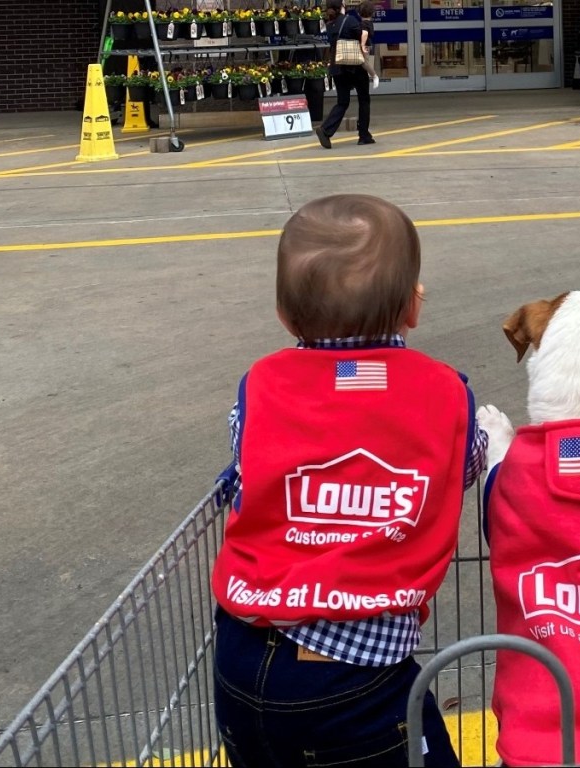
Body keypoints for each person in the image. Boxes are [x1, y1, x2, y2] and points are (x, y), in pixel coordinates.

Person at [211, 194, 488, 768]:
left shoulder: (263, 384)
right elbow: (465, 464)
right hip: (357, 677)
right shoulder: (441, 392)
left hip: (240, 655)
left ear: (286, 317)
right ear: (412, 308)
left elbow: (246, 461)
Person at [316, 0, 373, 148]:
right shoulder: (350, 20)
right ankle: (364, 135)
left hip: (337, 66)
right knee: (364, 99)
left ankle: (325, 130)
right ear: (342, 6)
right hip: (354, 66)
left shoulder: (329, 24)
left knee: (343, 101)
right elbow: (363, 36)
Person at [353, 0, 381, 90]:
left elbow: (364, 34)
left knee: (364, 62)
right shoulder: (369, 23)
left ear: (359, 13)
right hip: (367, 44)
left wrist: (362, 45)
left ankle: (374, 75)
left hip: (365, 45)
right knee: (364, 61)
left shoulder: (363, 24)